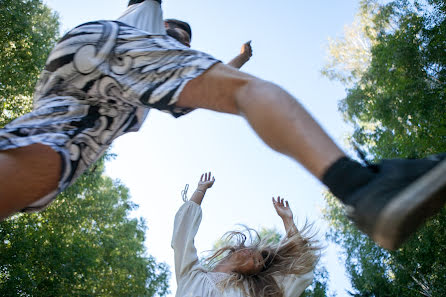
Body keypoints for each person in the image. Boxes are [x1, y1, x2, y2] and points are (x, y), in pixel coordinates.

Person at [0, 0, 444, 250]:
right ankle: (361, 186)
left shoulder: (147, 81)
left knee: (36, 172)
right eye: (176, 37)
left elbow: (191, 87)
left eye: (186, 43)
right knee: (243, 90)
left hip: (73, 108)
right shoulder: (143, 25)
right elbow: (217, 84)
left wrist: (238, 58)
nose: (180, 45)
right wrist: (238, 66)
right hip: (103, 54)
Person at [172, 172, 320, 297]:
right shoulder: (192, 276)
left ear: (252, 274)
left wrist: (288, 221)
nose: (252, 255)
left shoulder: (249, 292)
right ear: (236, 249)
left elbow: (302, 271)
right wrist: (200, 190)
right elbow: (182, 238)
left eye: (256, 262)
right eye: (253, 253)